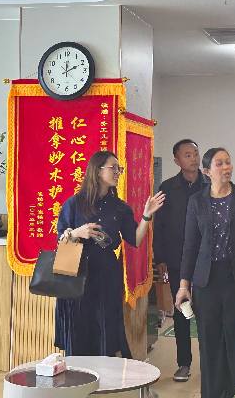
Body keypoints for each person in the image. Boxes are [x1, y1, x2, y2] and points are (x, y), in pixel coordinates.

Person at [54, 151, 165, 358]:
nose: (117, 172)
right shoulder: (75, 203)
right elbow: (59, 240)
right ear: (97, 171)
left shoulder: (119, 207)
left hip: (106, 271)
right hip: (77, 272)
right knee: (80, 324)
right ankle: (78, 371)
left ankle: (105, 371)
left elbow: (135, 240)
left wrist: (146, 216)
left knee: (106, 323)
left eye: (118, 168)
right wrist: (77, 233)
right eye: (113, 167)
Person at [176, 148, 235, 398]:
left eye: (228, 162)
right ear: (207, 171)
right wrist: (184, 286)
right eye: (219, 164)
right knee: (210, 342)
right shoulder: (196, 201)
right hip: (206, 281)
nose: (226, 167)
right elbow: (190, 245)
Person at [154, 139, 209, 382]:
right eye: (187, 155)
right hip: (177, 259)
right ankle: (184, 363)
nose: (194, 158)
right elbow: (159, 225)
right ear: (177, 160)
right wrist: (160, 257)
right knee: (181, 311)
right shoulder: (167, 188)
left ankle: (209, 363)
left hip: (207, 259)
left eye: (195, 153)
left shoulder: (210, 184)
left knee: (207, 312)